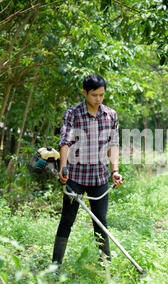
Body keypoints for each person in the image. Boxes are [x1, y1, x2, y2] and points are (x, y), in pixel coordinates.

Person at [52, 74, 123, 266]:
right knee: (67, 220)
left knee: (100, 222)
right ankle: (55, 265)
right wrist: (63, 168)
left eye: (101, 95)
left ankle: (105, 265)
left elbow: (113, 145)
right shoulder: (72, 114)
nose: (98, 99)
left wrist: (114, 170)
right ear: (84, 93)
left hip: (99, 178)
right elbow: (65, 142)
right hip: (75, 176)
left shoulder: (110, 115)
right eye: (94, 95)